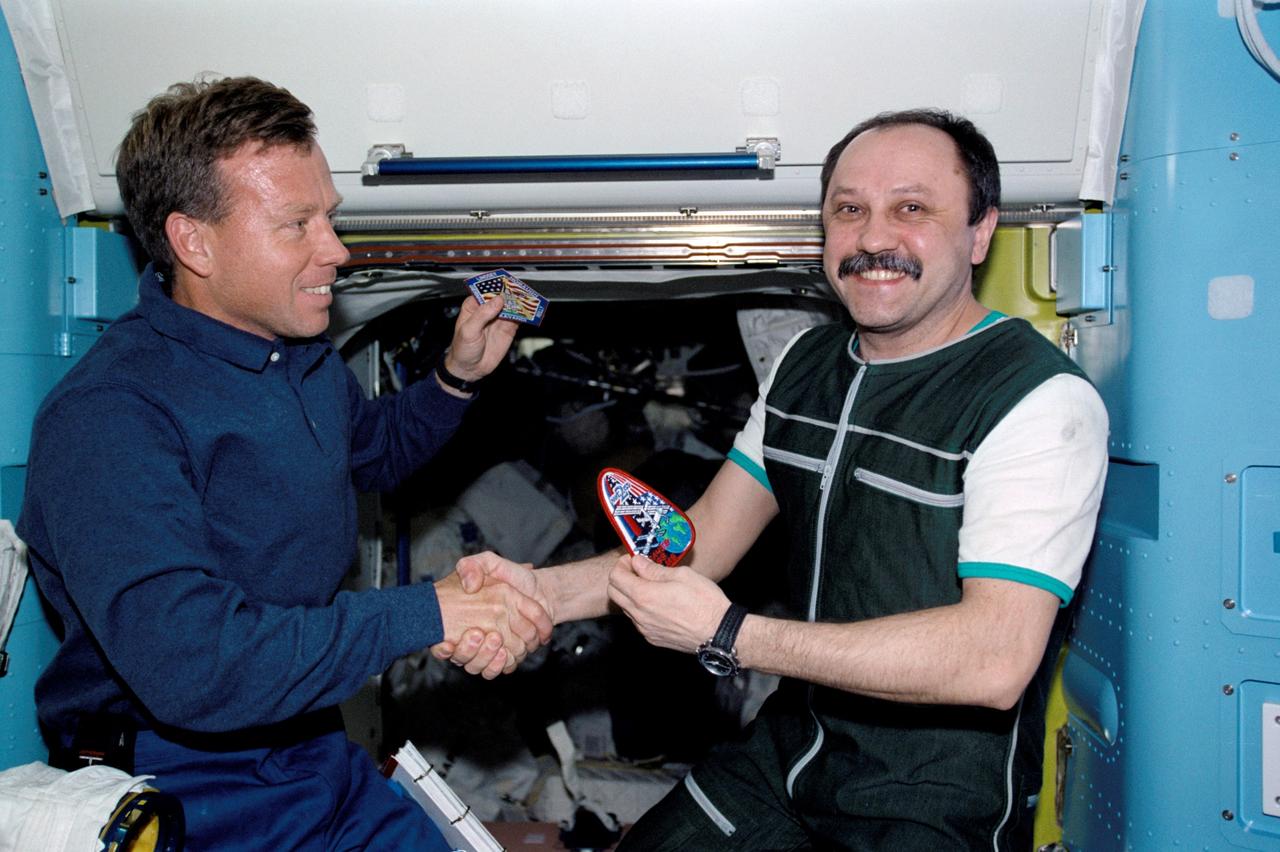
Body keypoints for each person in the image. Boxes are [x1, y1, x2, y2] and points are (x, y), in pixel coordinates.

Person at [439, 108, 1110, 849]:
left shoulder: (1036, 399)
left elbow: (994, 658)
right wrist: (536, 592)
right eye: (849, 211)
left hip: (929, 799)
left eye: (911, 209)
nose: (875, 239)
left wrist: (732, 634)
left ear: (980, 231)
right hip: (792, 753)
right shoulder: (806, 367)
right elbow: (699, 547)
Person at [17, 76, 551, 850]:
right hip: (180, 779)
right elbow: (195, 663)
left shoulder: (295, 355)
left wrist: (456, 377)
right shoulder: (110, 417)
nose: (334, 250)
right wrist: (428, 612)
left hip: (305, 743)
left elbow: (367, 453)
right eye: (295, 225)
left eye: (327, 217)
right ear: (193, 241)